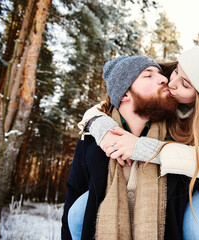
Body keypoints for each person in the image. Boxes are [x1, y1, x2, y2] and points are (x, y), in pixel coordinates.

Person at [79, 41, 199, 240]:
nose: (169, 83)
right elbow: (111, 98)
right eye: (176, 72)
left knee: (198, 227)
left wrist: (141, 148)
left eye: (185, 84)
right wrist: (101, 126)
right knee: (77, 216)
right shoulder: (162, 79)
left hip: (192, 181)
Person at [61, 55, 178, 239]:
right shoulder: (92, 142)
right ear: (124, 94)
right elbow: (73, 200)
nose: (164, 79)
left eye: (160, 74)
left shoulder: (178, 140)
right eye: (148, 75)